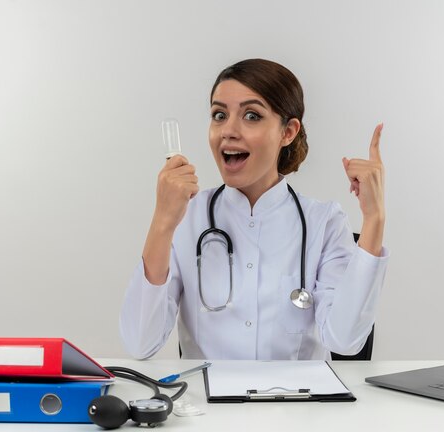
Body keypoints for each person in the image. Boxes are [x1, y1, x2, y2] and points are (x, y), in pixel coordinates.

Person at [120, 58, 389, 360]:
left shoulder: (323, 222)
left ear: (288, 132)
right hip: (208, 404)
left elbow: (344, 341)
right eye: (219, 115)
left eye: (251, 115)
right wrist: (162, 223)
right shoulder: (187, 217)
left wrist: (374, 220)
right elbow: (140, 343)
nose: (228, 130)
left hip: (300, 405)